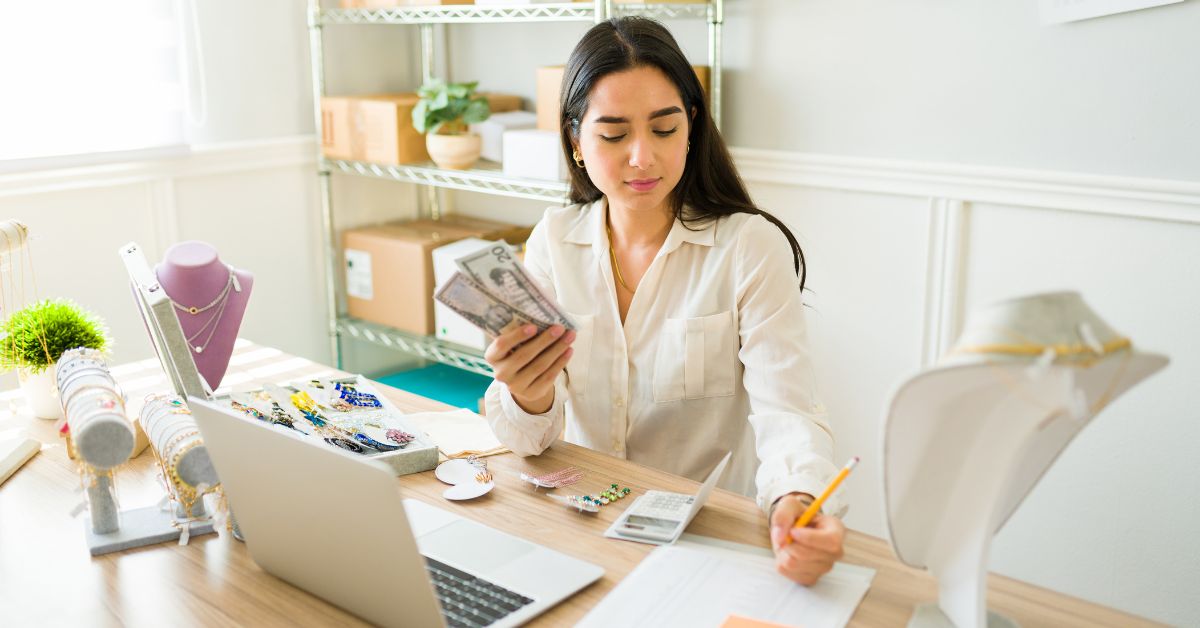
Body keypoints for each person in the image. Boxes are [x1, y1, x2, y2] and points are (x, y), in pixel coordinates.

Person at [482, 16, 845, 586]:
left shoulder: (748, 247)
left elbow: (788, 412)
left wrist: (795, 498)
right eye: (614, 134)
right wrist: (527, 396)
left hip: (703, 543)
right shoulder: (553, 240)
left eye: (664, 128)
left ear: (692, 127)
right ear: (576, 142)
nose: (643, 158)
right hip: (581, 528)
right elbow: (527, 442)